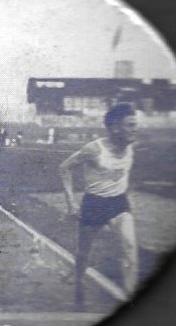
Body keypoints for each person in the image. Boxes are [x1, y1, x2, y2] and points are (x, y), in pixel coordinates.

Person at [59, 103, 138, 309]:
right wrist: (71, 203)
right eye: (130, 125)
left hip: (119, 203)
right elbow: (65, 168)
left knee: (129, 247)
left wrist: (128, 197)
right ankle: (78, 278)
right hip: (95, 203)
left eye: (135, 125)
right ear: (115, 128)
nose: (135, 130)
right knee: (84, 252)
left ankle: (131, 296)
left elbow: (123, 174)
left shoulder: (130, 146)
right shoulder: (94, 150)